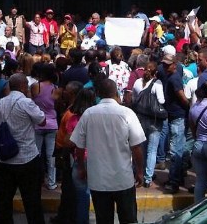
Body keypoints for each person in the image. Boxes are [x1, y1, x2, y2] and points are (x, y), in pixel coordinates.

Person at [70, 79, 145, 224]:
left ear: (98, 94)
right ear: (116, 93)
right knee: (128, 219)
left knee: (103, 219)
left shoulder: (88, 114)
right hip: (123, 179)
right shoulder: (127, 113)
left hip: (99, 180)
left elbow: (79, 147)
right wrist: (140, 171)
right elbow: (136, 147)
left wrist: (81, 167)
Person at [0, 73, 47, 224]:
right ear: (24, 87)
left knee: (3, 203)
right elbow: (43, 121)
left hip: (3, 160)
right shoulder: (27, 103)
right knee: (32, 203)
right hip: (27, 159)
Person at [52, 81, 84, 224]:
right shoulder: (69, 109)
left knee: (69, 187)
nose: (63, 92)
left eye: (66, 90)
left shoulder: (73, 113)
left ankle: (68, 216)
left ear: (71, 94)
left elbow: (71, 139)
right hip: (65, 153)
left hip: (69, 155)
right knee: (67, 187)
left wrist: (63, 152)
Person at [63, 87, 96, 224]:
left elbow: (68, 142)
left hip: (80, 160)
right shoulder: (97, 118)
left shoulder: (74, 119)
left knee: (82, 196)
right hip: (97, 159)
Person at [131, 60, 165, 188]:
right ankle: (148, 178)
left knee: (142, 148)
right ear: (155, 72)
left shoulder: (137, 82)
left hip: (140, 119)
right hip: (154, 120)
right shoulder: (157, 83)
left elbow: (134, 98)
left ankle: (138, 172)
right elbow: (161, 100)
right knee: (152, 149)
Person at [162, 54, 189, 194]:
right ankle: (177, 178)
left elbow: (182, 97)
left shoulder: (175, 78)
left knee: (175, 151)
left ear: (174, 64)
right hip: (176, 117)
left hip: (178, 117)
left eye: (168, 64)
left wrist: (190, 107)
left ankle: (174, 181)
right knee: (179, 149)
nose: (165, 66)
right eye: (164, 64)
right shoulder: (172, 77)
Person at [31, 63, 59, 191]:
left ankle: (36, 180)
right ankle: (52, 182)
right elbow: (57, 106)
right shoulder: (56, 89)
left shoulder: (35, 87)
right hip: (52, 124)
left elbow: (31, 103)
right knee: (50, 156)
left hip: (37, 123)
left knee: (36, 154)